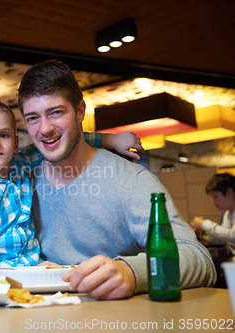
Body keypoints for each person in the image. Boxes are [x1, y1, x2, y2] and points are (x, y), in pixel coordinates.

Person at [17, 59, 216, 300]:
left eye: (56, 112)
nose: (45, 129)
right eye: (32, 118)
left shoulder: (131, 181)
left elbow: (200, 260)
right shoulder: (19, 183)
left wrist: (132, 272)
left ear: (80, 111)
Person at [0, 99, 144, 269]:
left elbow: (67, 141)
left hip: (35, 267)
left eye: (3, 135)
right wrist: (22, 271)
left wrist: (110, 139)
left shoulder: (20, 163)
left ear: (16, 142)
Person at [191, 173, 235, 256]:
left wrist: (204, 223)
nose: (213, 201)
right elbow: (223, 239)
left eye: (215, 196)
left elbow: (233, 235)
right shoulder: (227, 214)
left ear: (229, 193)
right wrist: (204, 231)